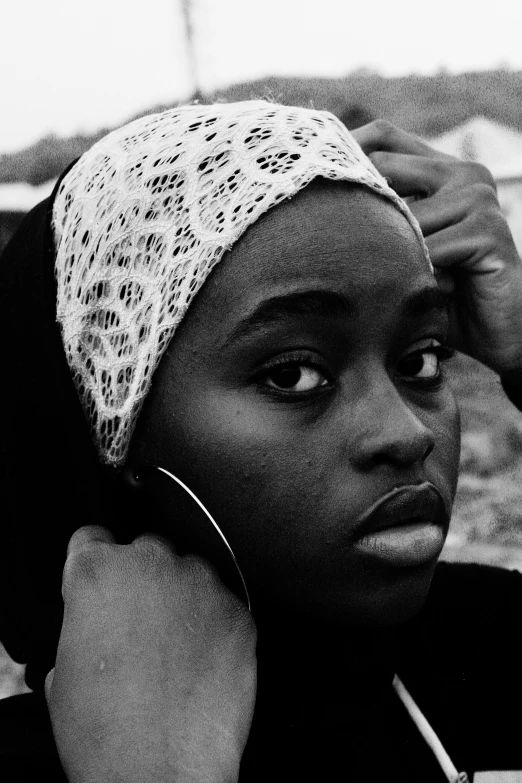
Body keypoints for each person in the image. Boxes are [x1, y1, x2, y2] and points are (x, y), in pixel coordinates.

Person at [1, 102, 522, 783]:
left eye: (422, 357)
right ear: (114, 434)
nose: (407, 433)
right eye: (292, 373)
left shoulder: (493, 650)